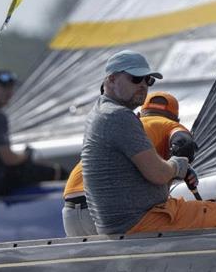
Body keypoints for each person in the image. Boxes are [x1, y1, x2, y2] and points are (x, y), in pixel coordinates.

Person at [81, 50, 216, 235]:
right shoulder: (118, 116)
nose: (143, 85)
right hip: (140, 221)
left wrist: (175, 170)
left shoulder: (100, 112)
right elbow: (158, 174)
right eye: (136, 79)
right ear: (111, 79)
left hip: (122, 221)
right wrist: (178, 165)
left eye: (148, 80)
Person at [62, 90, 200, 237]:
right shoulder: (170, 125)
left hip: (71, 212)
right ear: (177, 119)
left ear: (139, 115)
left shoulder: (120, 126)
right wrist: (182, 162)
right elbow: (183, 142)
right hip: (109, 210)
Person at [0, 70, 67, 196]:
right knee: (56, 171)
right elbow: (9, 159)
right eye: (3, 87)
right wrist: (26, 155)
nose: (9, 92)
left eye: (11, 88)